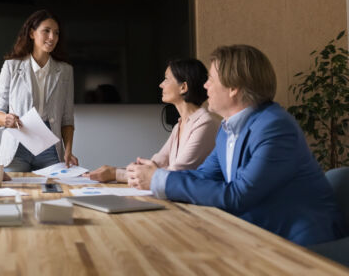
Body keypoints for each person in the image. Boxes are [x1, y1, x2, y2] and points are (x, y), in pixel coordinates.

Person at [127, 45, 347, 246]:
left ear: (233, 87)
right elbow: (203, 175)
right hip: (259, 235)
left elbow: (239, 196)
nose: (205, 86)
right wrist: (155, 178)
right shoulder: (227, 130)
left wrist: (158, 179)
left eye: (210, 80)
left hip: (303, 245)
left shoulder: (275, 126)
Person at [88, 59, 219, 182]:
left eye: (166, 79)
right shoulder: (179, 125)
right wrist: (125, 170)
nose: (161, 85)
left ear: (183, 87)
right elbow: (157, 163)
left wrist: (115, 173)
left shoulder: (204, 123)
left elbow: (175, 174)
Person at [0, 9, 77, 171]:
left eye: (56, 33)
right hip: (17, 148)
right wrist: (6, 119)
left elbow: (67, 119)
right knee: (14, 195)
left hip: (50, 149)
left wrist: (68, 151)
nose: (52, 37)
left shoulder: (65, 71)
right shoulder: (11, 66)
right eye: (46, 31)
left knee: (55, 194)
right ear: (32, 33)